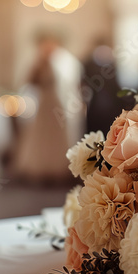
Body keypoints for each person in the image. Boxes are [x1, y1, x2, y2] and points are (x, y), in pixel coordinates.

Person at [13, 30, 84, 184]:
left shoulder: (64, 61)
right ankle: (40, 167)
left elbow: (70, 84)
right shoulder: (39, 61)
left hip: (56, 102)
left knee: (56, 136)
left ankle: (59, 168)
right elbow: (29, 81)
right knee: (41, 136)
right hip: (44, 103)